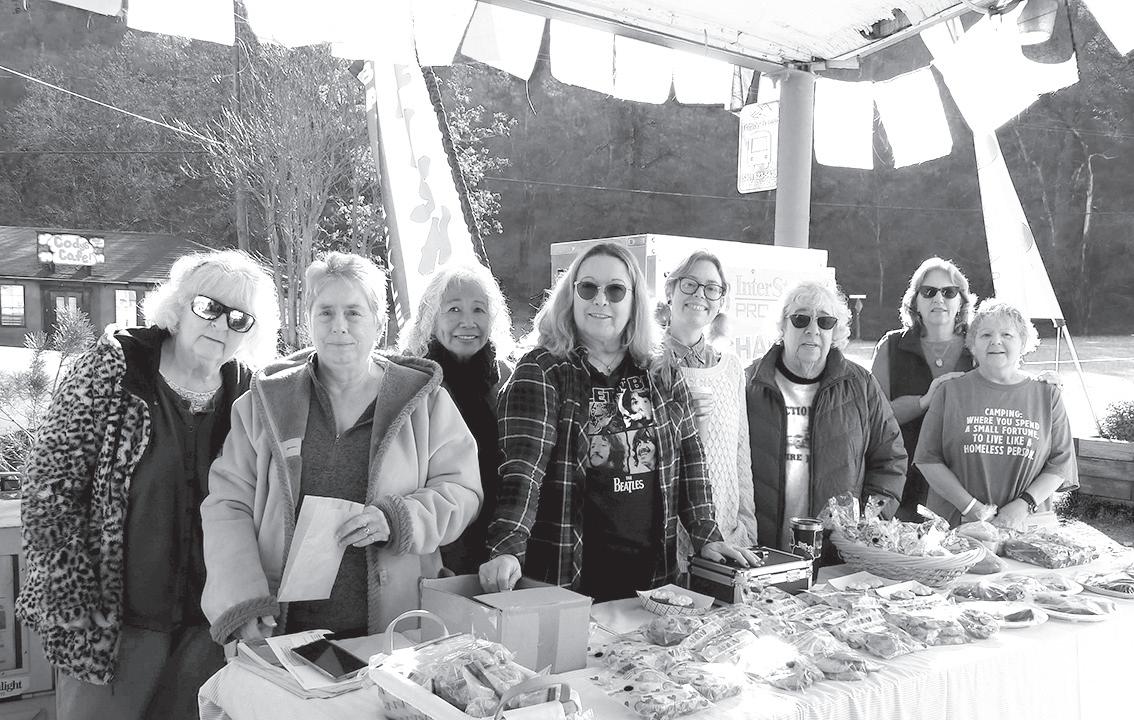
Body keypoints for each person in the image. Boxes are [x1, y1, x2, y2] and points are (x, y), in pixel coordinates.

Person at [16, 250, 279, 720]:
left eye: (239, 318)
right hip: (110, 624)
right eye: (208, 307)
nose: (220, 325)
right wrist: (72, 594)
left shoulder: (249, 394)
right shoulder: (115, 368)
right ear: (178, 306)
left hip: (207, 624)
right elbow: (48, 488)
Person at [201, 252, 481, 644]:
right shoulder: (263, 405)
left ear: (379, 323)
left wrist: (398, 519)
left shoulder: (424, 402)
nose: (339, 326)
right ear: (308, 321)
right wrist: (243, 603)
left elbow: (462, 491)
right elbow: (228, 506)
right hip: (281, 631)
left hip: (395, 631)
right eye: (326, 312)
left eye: (353, 313)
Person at [479, 242, 759, 602]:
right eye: (588, 288)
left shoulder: (661, 370)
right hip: (567, 579)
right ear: (571, 295)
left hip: (652, 582)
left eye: (615, 290)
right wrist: (507, 548)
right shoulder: (544, 369)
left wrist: (707, 535)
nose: (600, 300)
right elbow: (523, 470)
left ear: (634, 301)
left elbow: (691, 460)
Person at [746, 280, 907, 561]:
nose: (813, 329)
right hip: (760, 554)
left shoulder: (861, 385)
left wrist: (867, 523)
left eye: (825, 321)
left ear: (835, 331)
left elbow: (890, 460)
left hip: (836, 557)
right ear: (782, 326)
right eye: (801, 319)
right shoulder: (749, 383)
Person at [915, 299, 1079, 528]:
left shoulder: (1047, 395)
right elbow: (927, 459)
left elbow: (1061, 464)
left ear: (1023, 342)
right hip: (958, 525)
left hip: (1026, 525)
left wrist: (1023, 505)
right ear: (972, 344)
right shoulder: (949, 391)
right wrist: (972, 508)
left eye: (1007, 334)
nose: (996, 341)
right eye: (985, 335)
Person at [398, 262, 514, 575]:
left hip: (499, 543)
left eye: (478, 309)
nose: (468, 322)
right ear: (430, 318)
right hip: (435, 544)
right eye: (453, 309)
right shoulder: (411, 381)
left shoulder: (508, 378)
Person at [660, 250, 757, 571]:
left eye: (712, 288)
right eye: (690, 284)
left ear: (720, 300)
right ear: (670, 291)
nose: (700, 294)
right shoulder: (647, 364)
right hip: (666, 542)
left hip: (728, 537)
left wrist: (747, 526)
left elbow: (740, 456)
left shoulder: (731, 368)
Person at [870, 257, 976, 521]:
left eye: (948, 292)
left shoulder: (979, 346)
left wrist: (1043, 383)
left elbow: (1008, 389)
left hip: (965, 484)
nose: (938, 299)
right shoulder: (891, 346)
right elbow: (874, 416)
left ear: (961, 301)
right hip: (902, 480)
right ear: (915, 301)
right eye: (928, 292)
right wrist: (924, 401)